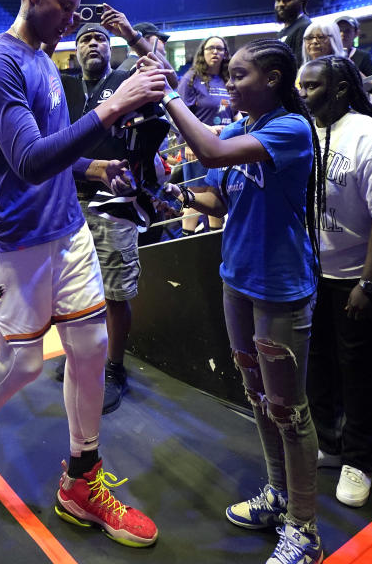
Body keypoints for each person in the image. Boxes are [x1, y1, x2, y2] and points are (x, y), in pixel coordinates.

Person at [0, 0, 167, 545]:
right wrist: (116, 105)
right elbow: (30, 161)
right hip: (15, 243)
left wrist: (95, 166)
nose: (71, 19)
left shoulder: (42, 59)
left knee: (91, 346)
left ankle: (82, 479)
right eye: (63, 7)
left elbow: (56, 154)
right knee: (23, 362)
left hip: (67, 229)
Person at [151, 38, 326, 563]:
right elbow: (220, 194)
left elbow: (210, 151)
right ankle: (278, 496)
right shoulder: (244, 127)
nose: (229, 82)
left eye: (240, 74)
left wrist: (166, 93)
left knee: (289, 410)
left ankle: (306, 528)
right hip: (238, 280)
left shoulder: (291, 129)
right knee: (258, 399)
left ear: (273, 79)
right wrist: (174, 194)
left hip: (279, 286)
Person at [299, 55, 372, 507]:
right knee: (317, 363)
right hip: (311, 272)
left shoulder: (367, 133)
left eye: (312, 86)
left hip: (353, 277)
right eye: (300, 86)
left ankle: (360, 461)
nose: (302, 94)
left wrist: (368, 282)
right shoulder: (303, 130)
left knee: (356, 372)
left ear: (341, 89)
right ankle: (329, 443)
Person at [58, 10, 167, 413]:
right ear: (75, 49)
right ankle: (79, 359)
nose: (93, 44)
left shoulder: (125, 80)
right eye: (85, 39)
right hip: (67, 201)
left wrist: (133, 35)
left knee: (114, 292)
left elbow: (166, 79)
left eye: (100, 40)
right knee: (70, 289)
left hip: (115, 203)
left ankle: (114, 367)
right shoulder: (62, 86)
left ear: (110, 48)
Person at [177, 35, 235, 235]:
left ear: (225, 53)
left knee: (216, 193)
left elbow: (233, 112)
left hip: (223, 145)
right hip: (197, 145)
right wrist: (190, 141)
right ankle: (187, 241)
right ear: (203, 52)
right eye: (211, 48)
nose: (215, 52)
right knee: (196, 195)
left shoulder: (228, 79)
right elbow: (180, 114)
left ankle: (213, 241)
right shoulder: (191, 78)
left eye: (220, 49)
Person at [335, 16, 372, 93]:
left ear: (356, 33)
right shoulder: (328, 54)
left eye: (347, 30)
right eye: (339, 30)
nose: (342, 34)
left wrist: (353, 67)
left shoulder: (363, 56)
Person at [275, 0, 312, 68]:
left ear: (301, 0)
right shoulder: (284, 30)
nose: (281, 4)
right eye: (278, 0)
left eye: (287, 0)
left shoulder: (305, 26)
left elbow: (300, 65)